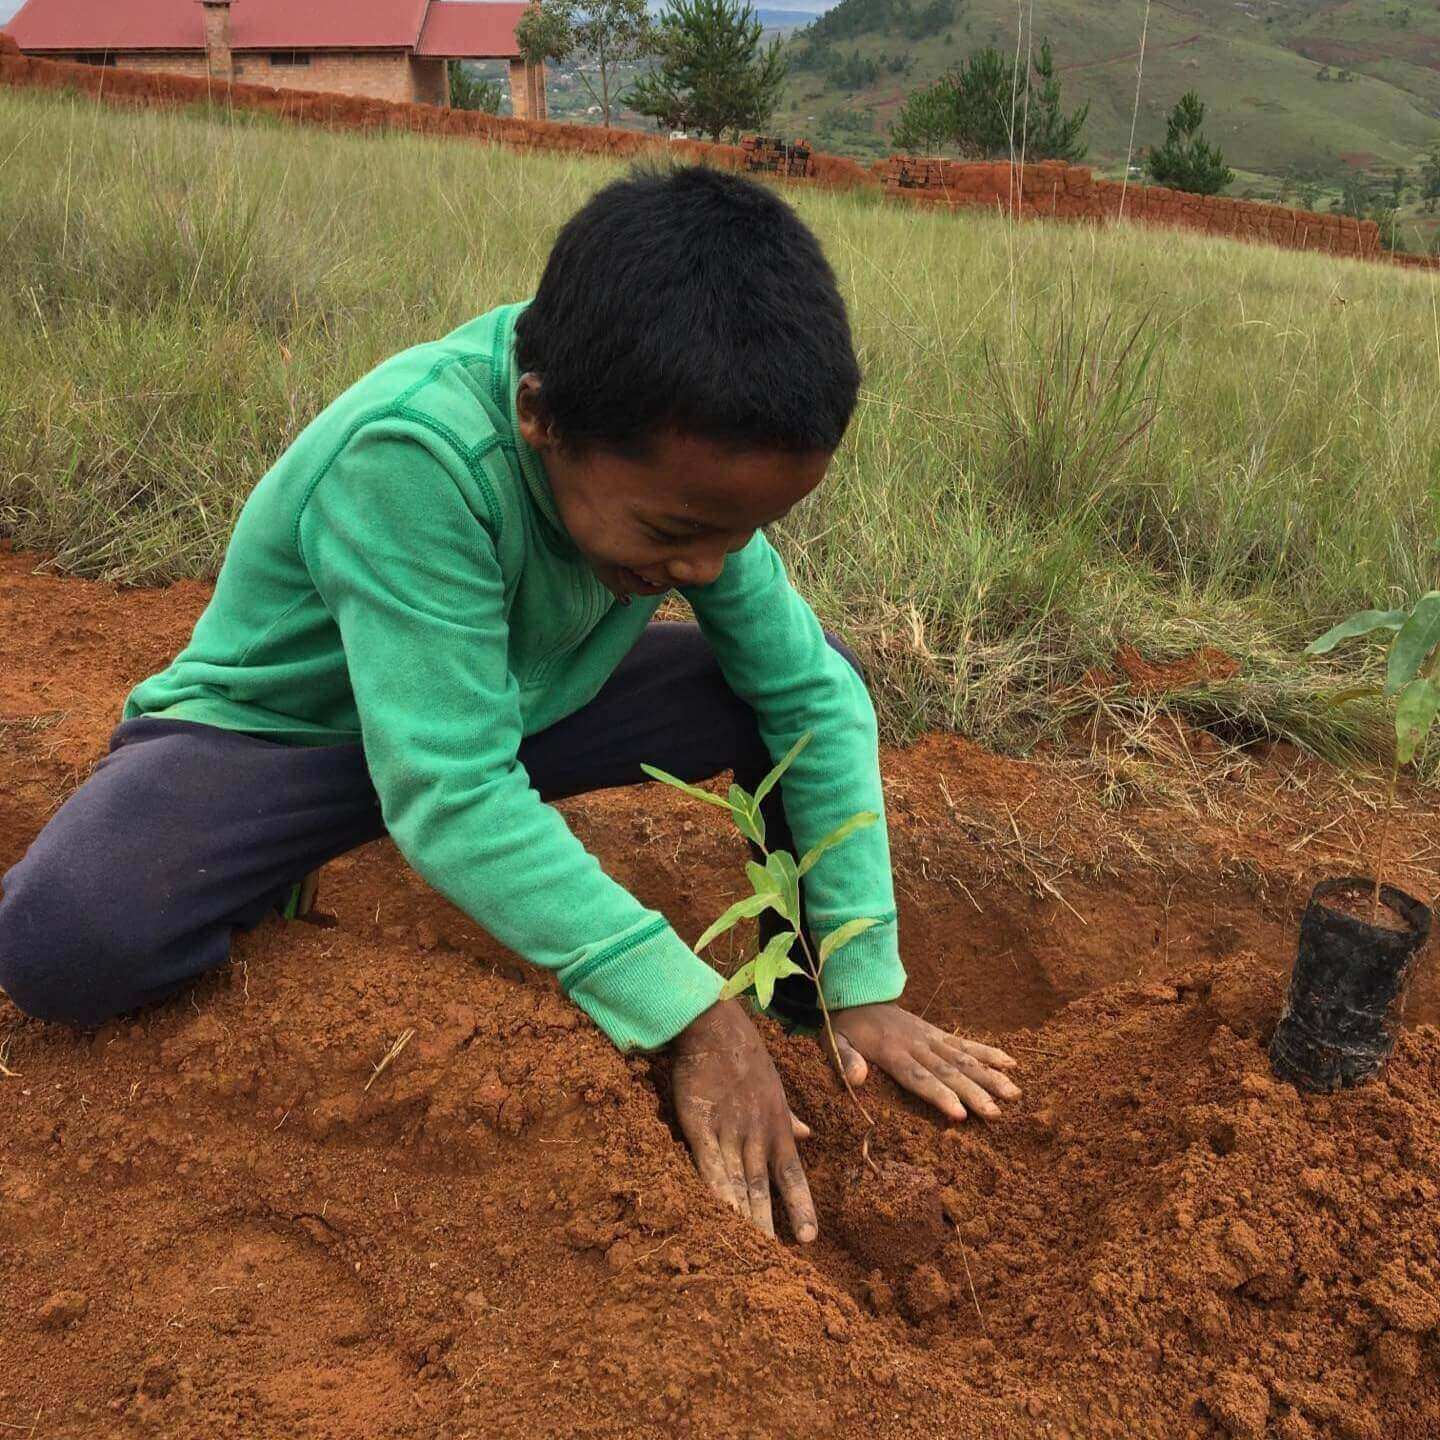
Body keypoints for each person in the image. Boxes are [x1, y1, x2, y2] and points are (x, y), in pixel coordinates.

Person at [0, 165, 1018, 1241]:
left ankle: (808, 1013)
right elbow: (451, 788)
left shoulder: (671, 448)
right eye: (676, 535)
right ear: (541, 416)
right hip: (287, 737)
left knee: (814, 675)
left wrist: (862, 971)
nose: (712, 571)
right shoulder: (415, 455)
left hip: (508, 707)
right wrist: (686, 1010)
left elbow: (808, 694)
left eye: (740, 535)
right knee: (66, 939)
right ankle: (270, 903)